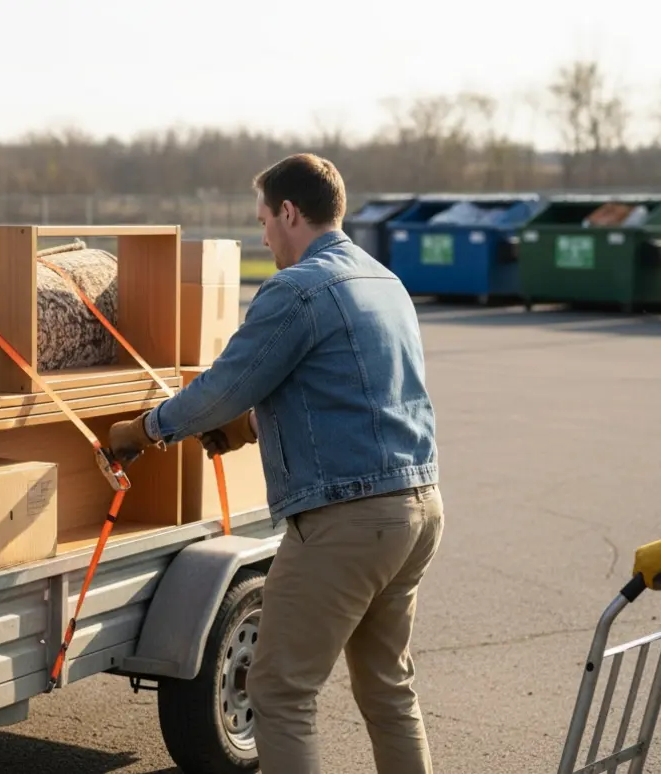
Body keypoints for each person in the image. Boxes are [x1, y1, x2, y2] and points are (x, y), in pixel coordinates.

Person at [108, 153, 442, 774]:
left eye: (264, 221)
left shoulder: (298, 288)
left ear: (290, 212)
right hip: (417, 508)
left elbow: (222, 389)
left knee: (281, 693)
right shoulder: (383, 282)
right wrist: (254, 427)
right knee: (389, 689)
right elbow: (353, 393)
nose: (263, 237)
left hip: (348, 522)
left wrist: (144, 429)